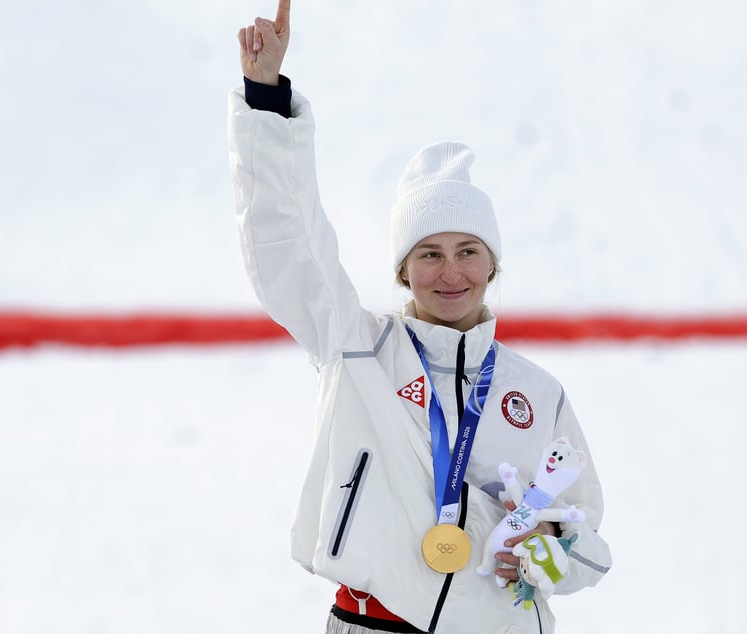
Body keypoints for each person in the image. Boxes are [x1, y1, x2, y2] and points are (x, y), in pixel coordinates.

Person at [229, 2, 611, 632]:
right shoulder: (359, 349)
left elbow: (586, 542)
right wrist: (266, 98)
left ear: (493, 265)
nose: (450, 273)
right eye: (429, 254)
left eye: (468, 253)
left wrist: (546, 550)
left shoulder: (537, 394)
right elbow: (287, 242)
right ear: (403, 270)